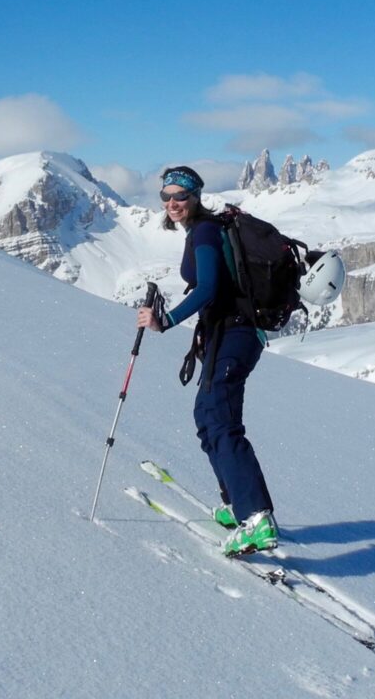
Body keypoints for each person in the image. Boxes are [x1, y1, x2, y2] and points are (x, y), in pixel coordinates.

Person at [136, 165, 278, 556]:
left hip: (236, 333)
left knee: (220, 419)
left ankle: (256, 518)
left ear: (195, 195)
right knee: (207, 416)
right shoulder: (204, 229)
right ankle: (238, 504)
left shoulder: (203, 230)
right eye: (165, 197)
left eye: (179, 195)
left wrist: (166, 321)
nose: (172, 203)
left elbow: (209, 287)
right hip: (227, 335)